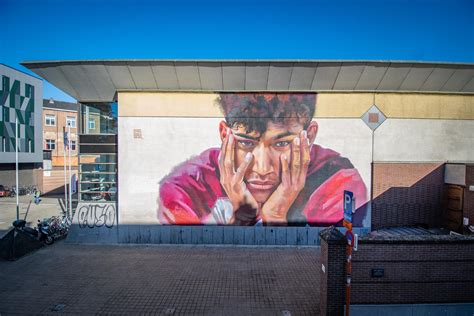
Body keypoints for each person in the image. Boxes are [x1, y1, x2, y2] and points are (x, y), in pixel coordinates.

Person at [157, 93, 367, 226]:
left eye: (282, 144)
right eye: (246, 143)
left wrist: (275, 216)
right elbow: (210, 265)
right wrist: (243, 215)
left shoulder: (337, 181)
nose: (263, 168)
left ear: (309, 136)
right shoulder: (185, 188)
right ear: (224, 135)